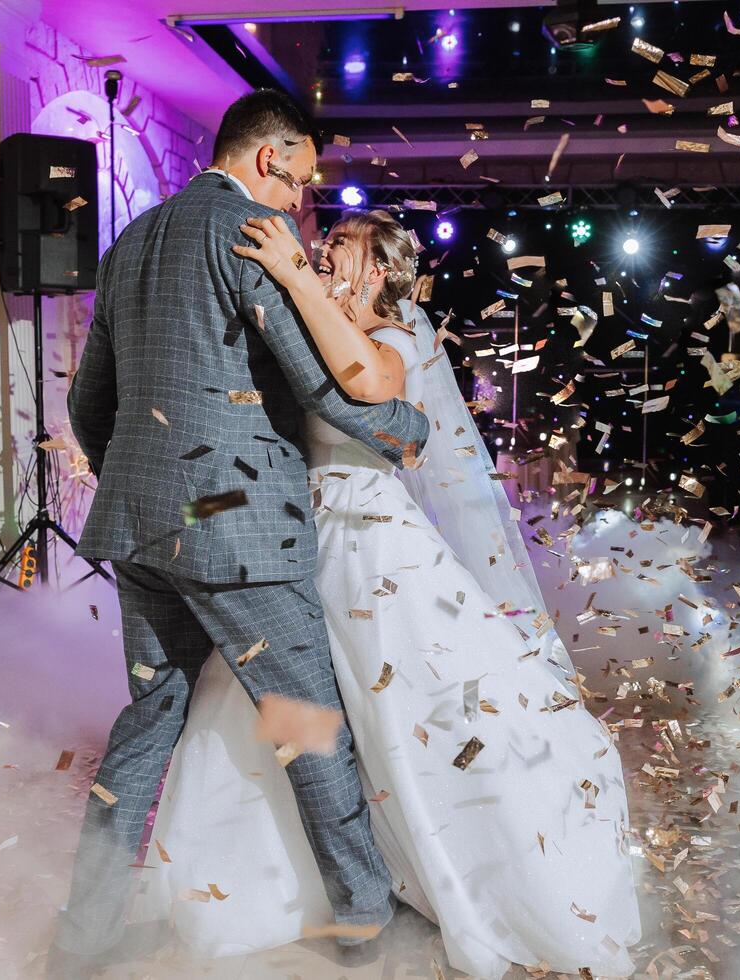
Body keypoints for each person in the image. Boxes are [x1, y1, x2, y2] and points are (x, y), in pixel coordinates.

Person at [130, 208, 641, 978]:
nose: (323, 250)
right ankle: (282, 886)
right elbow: (265, 459)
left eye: (339, 245)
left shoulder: (398, 339)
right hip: (297, 543)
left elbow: (365, 385)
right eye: (323, 243)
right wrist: (188, 506)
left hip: (375, 552)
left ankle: (462, 871)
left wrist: (298, 279)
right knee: (272, 713)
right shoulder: (301, 336)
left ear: (376, 270)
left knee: (415, 713)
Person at [50, 90, 430, 980]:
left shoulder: (130, 241)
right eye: (299, 183)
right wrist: (407, 431)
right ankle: (367, 916)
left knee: (146, 726)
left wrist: (149, 490)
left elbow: (84, 404)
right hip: (239, 526)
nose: (300, 205)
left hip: (155, 526)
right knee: (308, 723)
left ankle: (85, 938)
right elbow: (320, 389)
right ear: (270, 159)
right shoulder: (252, 236)